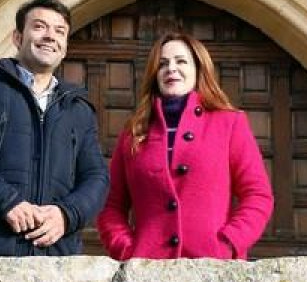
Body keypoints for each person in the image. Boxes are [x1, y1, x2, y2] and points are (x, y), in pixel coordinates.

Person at [0, 0, 108, 256]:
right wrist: (7, 202)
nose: (50, 36)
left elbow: (96, 177)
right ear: (17, 38)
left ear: (64, 47)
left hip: (55, 261)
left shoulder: (78, 109)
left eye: (59, 31)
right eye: (39, 27)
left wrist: (66, 215)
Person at [97, 32, 273, 260]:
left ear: (198, 69)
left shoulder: (229, 123)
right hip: (147, 271)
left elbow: (258, 195)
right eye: (162, 64)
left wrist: (228, 244)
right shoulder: (132, 133)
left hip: (213, 267)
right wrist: (128, 251)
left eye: (181, 61)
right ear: (154, 75)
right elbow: (111, 208)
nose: (171, 68)